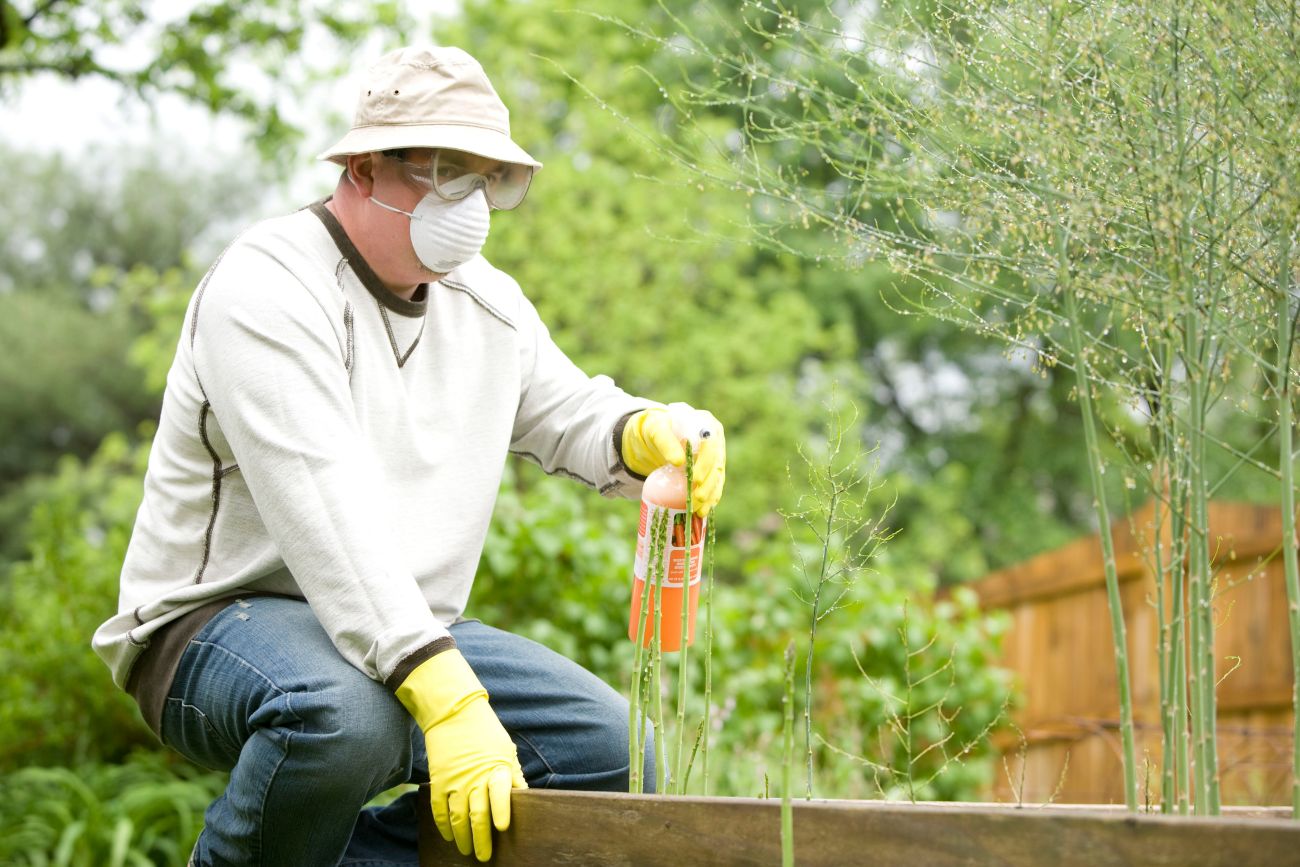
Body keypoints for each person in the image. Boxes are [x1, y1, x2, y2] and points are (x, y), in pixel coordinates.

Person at [92, 45, 726, 866]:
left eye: (488, 177)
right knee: (350, 715)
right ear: (362, 167)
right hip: (214, 622)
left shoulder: (487, 302)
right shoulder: (269, 287)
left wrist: (648, 432)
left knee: (614, 757)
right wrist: (448, 696)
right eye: (442, 171)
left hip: (406, 630)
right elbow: (323, 514)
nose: (471, 202)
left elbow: (570, 412)